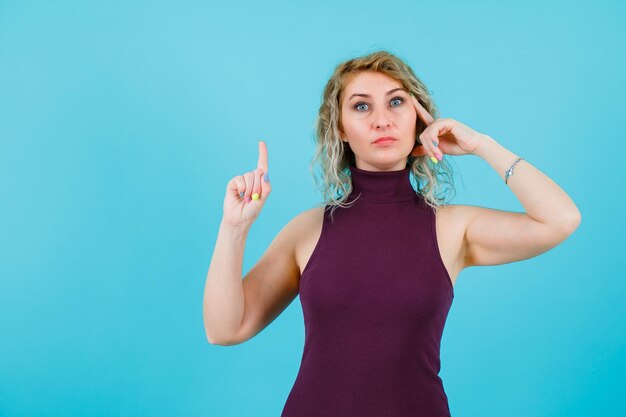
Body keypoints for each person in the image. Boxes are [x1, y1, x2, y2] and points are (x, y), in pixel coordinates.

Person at [203, 50, 581, 416]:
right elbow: (225, 329)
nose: (382, 120)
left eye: (396, 102)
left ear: (419, 119)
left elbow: (560, 219)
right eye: (362, 106)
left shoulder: (452, 227)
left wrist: (482, 145)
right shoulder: (308, 229)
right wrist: (233, 228)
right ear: (341, 129)